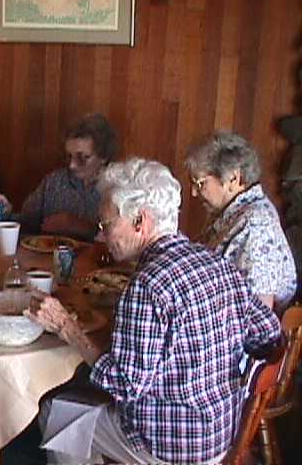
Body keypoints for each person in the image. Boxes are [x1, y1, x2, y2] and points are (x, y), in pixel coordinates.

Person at [25, 158, 281, 464]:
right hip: (223, 435)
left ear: (140, 221)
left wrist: (65, 326)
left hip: (171, 447)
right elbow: (269, 332)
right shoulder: (217, 263)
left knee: (55, 413)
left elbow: (123, 384)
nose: (101, 236)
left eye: (106, 225)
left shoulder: (147, 285)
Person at [185, 131, 297, 312]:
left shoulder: (257, 225)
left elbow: (259, 314)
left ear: (233, 179)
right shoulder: (231, 213)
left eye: (200, 183)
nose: (194, 193)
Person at [0, 113, 117, 241]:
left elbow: (121, 242)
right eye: (69, 156)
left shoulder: (117, 188)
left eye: (82, 158)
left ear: (103, 156)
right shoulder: (54, 182)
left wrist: (78, 225)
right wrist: (5, 211)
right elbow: (26, 223)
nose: (72, 165)